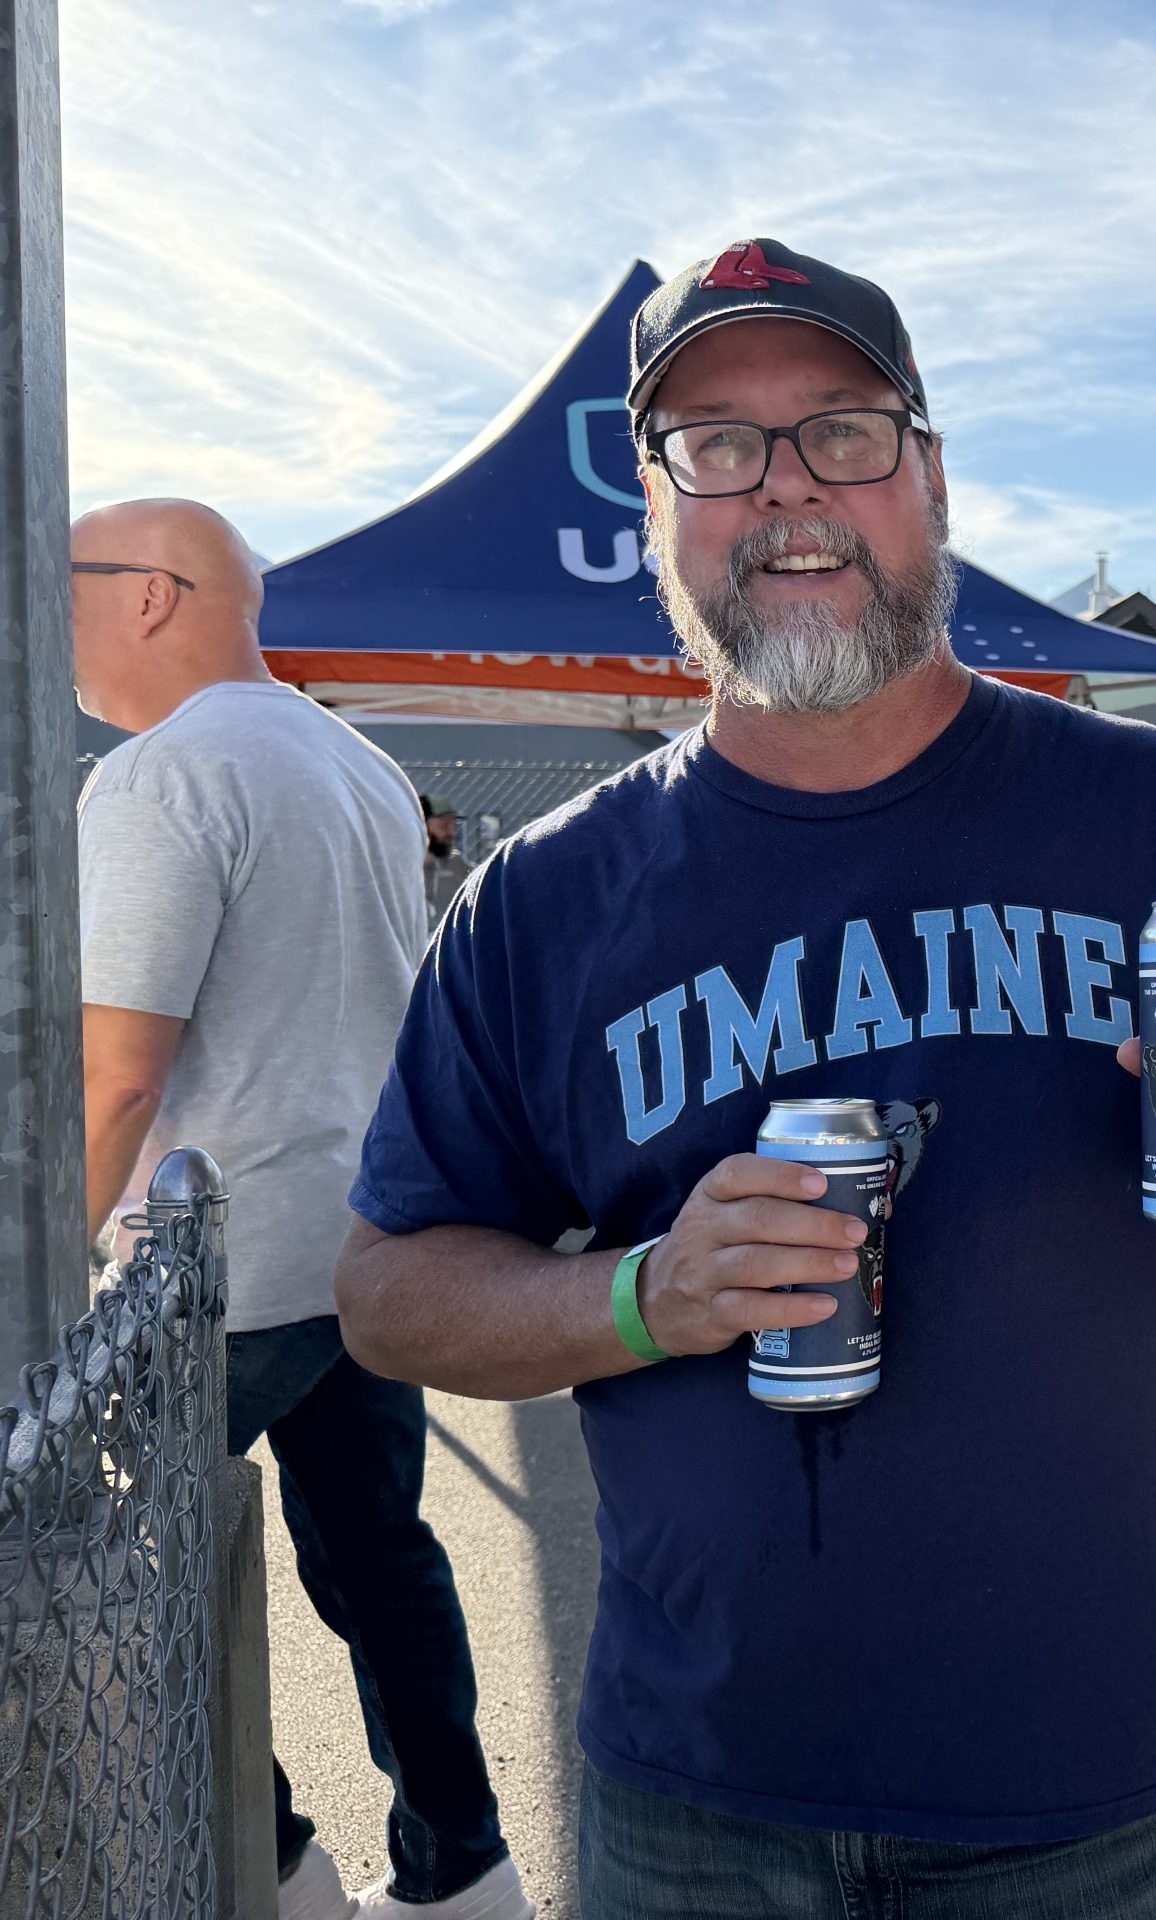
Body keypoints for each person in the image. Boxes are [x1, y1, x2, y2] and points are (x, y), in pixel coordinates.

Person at [330, 240, 1156, 1918]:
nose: (787, 492)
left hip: (1101, 1801)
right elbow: (390, 1297)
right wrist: (643, 1299)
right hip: (696, 1809)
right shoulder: (543, 894)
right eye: (720, 446)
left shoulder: (1151, 808)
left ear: (932, 474)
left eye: (842, 429)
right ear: (658, 511)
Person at [69, 500, 528, 1920]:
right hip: (365, 1240)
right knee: (380, 1563)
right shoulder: (361, 764)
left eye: (57, 586)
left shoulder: (160, 778)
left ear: (150, 594)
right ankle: (463, 1871)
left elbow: (117, 1075)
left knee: (106, 1579)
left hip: (213, 1270)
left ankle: (270, 1865)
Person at [421, 793, 474, 925]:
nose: (451, 833)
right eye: (444, 826)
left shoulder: (457, 867)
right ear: (422, 825)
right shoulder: (400, 868)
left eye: (453, 826)